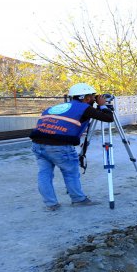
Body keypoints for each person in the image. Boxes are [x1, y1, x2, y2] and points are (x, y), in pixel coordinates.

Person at [29, 83, 115, 211]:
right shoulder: (84, 108)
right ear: (86, 98)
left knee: (44, 174)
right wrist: (102, 105)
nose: (94, 98)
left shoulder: (56, 107)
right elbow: (108, 118)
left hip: (37, 144)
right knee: (70, 173)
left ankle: (51, 204)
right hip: (59, 146)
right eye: (92, 96)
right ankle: (78, 199)